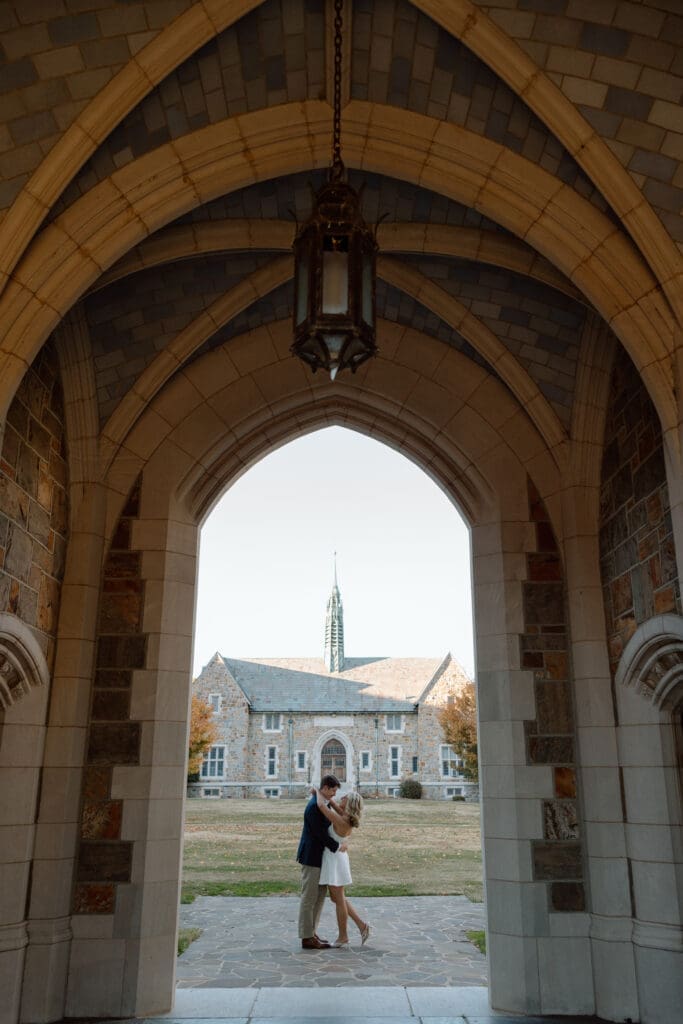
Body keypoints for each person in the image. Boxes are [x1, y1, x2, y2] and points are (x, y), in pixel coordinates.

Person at [315, 787, 371, 948]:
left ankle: (343, 936)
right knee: (337, 898)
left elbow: (322, 806)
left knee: (338, 899)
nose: (342, 796)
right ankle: (362, 926)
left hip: (335, 860)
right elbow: (332, 804)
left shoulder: (342, 820)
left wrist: (317, 791)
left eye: (345, 796)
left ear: (349, 802)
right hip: (336, 858)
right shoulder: (345, 815)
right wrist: (326, 795)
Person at [296, 774, 345, 949]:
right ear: (325, 788)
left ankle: (312, 932)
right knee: (309, 897)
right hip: (311, 857)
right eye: (333, 790)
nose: (334, 794)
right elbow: (320, 834)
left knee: (319, 897)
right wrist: (338, 846)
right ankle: (306, 937)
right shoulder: (313, 808)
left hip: (321, 857)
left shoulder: (322, 803)